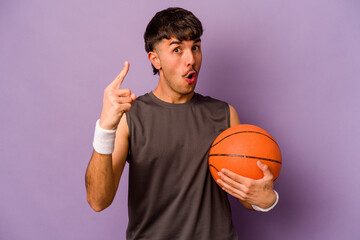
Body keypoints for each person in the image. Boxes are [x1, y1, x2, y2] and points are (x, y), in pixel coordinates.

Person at [86, 7, 279, 240]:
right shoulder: (130, 117)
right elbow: (98, 200)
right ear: (155, 59)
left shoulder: (224, 114)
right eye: (177, 49)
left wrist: (268, 200)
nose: (191, 59)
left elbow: (247, 194)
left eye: (195, 47)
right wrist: (105, 128)